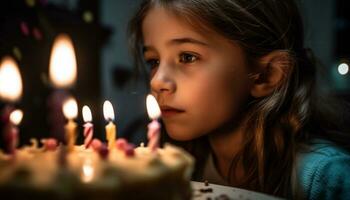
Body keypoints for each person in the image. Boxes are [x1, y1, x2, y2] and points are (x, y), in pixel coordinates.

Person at [128, 0, 350, 199]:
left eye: (188, 57)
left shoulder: (326, 179)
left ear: (266, 75)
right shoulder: (180, 168)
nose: (157, 81)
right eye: (153, 61)